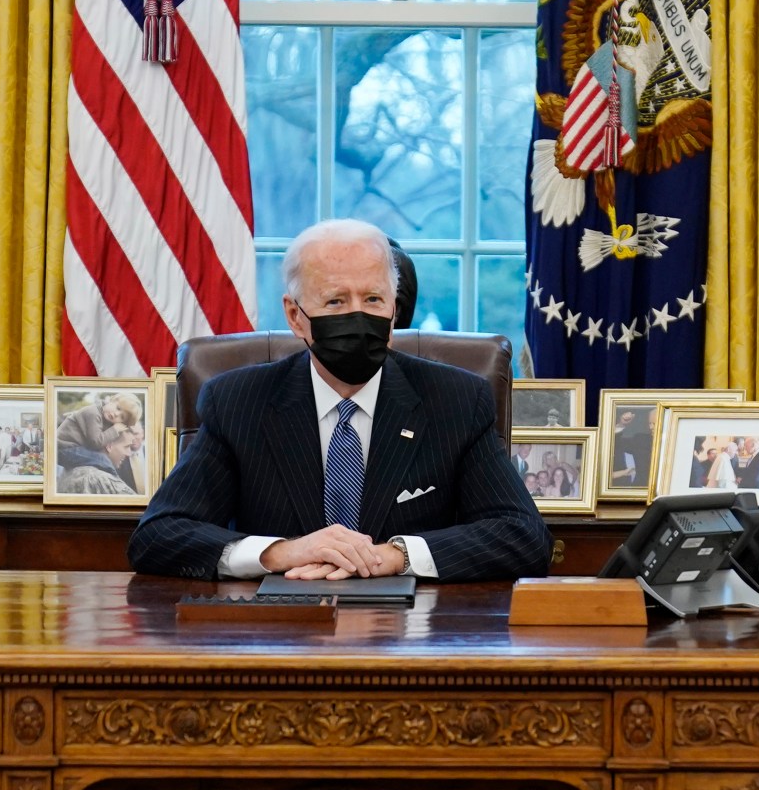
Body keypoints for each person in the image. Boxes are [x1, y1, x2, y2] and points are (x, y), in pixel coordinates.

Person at [129, 218, 550, 582]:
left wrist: (393, 556)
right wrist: (281, 552)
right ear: (296, 316)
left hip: (411, 637)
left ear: (393, 308)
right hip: (279, 632)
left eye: (372, 299)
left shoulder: (456, 400)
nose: (358, 316)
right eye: (336, 301)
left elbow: (522, 535)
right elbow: (159, 534)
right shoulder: (238, 401)